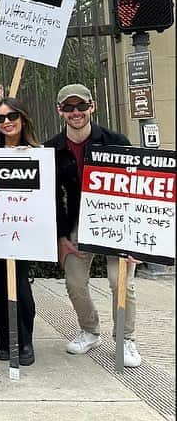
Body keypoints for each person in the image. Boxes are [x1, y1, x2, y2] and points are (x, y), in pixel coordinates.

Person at [44, 84, 141, 367]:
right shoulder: (53, 147)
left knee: (120, 281)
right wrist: (62, 236)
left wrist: (134, 239)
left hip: (118, 222)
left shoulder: (116, 140)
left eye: (81, 106)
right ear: (60, 111)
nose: (76, 113)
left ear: (92, 107)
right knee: (74, 282)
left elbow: (136, 188)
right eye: (69, 107)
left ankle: (126, 339)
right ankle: (89, 330)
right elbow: (51, 196)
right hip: (77, 222)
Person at [0, 97, 39, 366]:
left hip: (23, 231)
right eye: (0, 118)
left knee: (20, 286)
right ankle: (5, 339)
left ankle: (25, 340)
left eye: (11, 116)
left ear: (23, 117)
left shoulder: (37, 151)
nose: (6, 122)